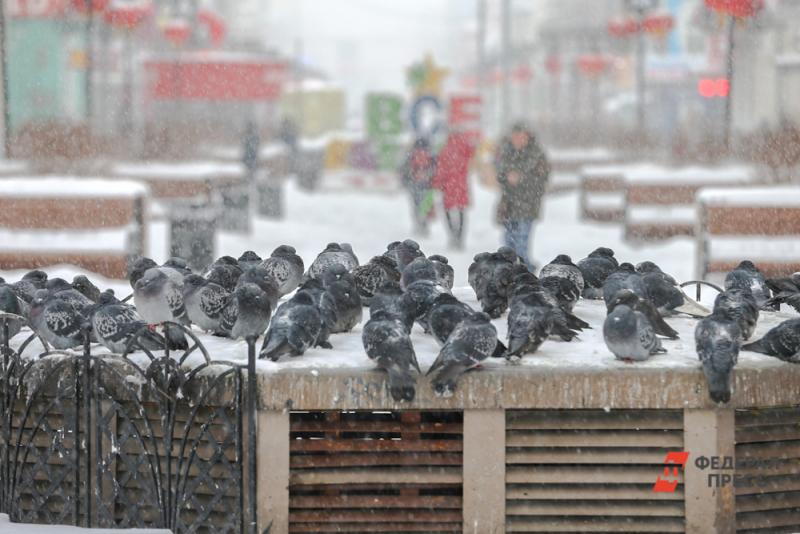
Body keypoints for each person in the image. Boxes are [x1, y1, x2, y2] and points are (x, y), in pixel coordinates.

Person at [494, 122, 550, 268]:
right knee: (508, 242)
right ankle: (513, 270)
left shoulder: (537, 154)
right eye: (515, 137)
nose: (518, 140)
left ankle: (524, 271)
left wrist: (521, 178)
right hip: (509, 204)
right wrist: (507, 177)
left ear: (527, 137)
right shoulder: (506, 152)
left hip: (528, 205)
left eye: (521, 137)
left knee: (522, 241)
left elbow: (542, 180)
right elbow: (499, 174)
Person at [432, 129, 476, 250]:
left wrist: (437, 183)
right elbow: (473, 153)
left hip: (448, 186)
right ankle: (460, 238)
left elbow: (441, 169)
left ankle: (452, 235)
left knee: (447, 211)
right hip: (461, 186)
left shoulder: (445, 150)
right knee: (461, 212)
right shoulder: (464, 148)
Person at [400, 138, 437, 236]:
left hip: (414, 185)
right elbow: (436, 169)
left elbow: (404, 169)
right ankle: (424, 225)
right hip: (427, 186)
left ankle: (418, 224)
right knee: (425, 206)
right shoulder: (431, 156)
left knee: (416, 205)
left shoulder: (411, 156)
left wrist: (405, 182)